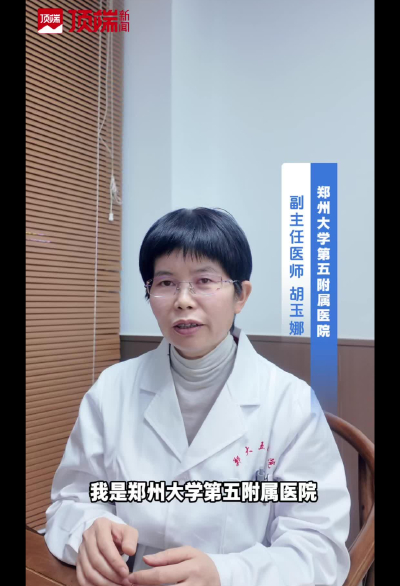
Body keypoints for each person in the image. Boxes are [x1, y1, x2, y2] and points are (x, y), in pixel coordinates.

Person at [45, 207, 351, 586]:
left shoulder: (291, 404)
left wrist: (226, 574)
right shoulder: (113, 388)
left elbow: (317, 549)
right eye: (166, 282)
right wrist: (89, 530)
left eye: (204, 280)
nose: (183, 300)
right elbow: (73, 499)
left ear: (241, 295)